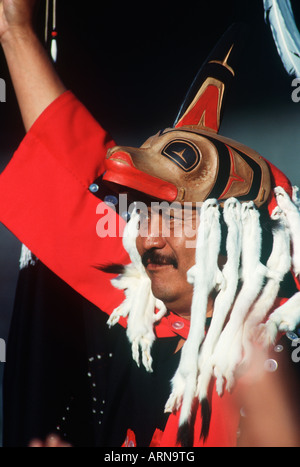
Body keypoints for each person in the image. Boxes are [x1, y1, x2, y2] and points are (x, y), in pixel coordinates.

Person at [0, 0, 300, 447]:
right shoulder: (145, 303)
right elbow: (69, 165)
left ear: (241, 235)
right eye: (144, 212)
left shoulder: (278, 350)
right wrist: (15, 29)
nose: (148, 236)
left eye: (177, 214)